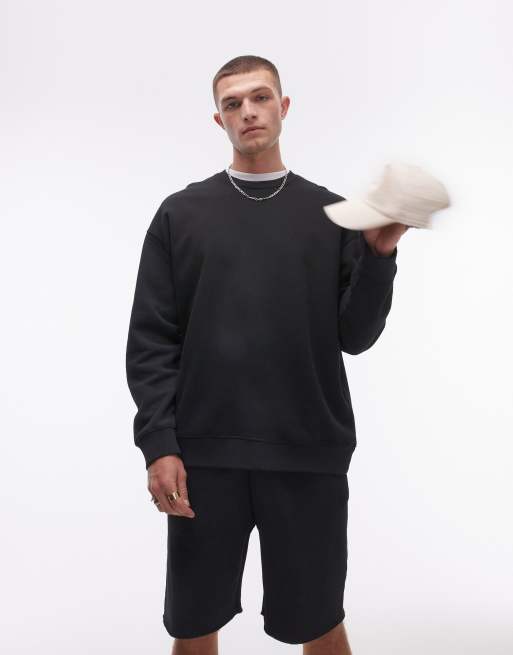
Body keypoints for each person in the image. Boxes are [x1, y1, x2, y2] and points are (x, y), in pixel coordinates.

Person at [125, 55, 408, 655]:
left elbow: (356, 335)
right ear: (219, 119)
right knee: (193, 625)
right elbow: (151, 340)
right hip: (204, 458)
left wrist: (379, 256)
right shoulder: (180, 215)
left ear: (283, 107)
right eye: (232, 103)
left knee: (320, 623)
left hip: (308, 454)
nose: (247, 111)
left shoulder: (333, 215)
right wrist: (159, 444)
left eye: (259, 98)